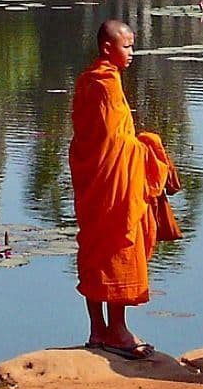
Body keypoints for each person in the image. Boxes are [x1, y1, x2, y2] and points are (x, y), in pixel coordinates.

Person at [69, 19, 175, 361]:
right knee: (117, 245)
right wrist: (149, 148)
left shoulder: (87, 80)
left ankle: (98, 330)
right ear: (107, 48)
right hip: (112, 184)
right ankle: (116, 331)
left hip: (94, 181)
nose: (132, 52)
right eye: (127, 46)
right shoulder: (106, 84)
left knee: (96, 248)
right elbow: (116, 144)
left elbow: (87, 140)